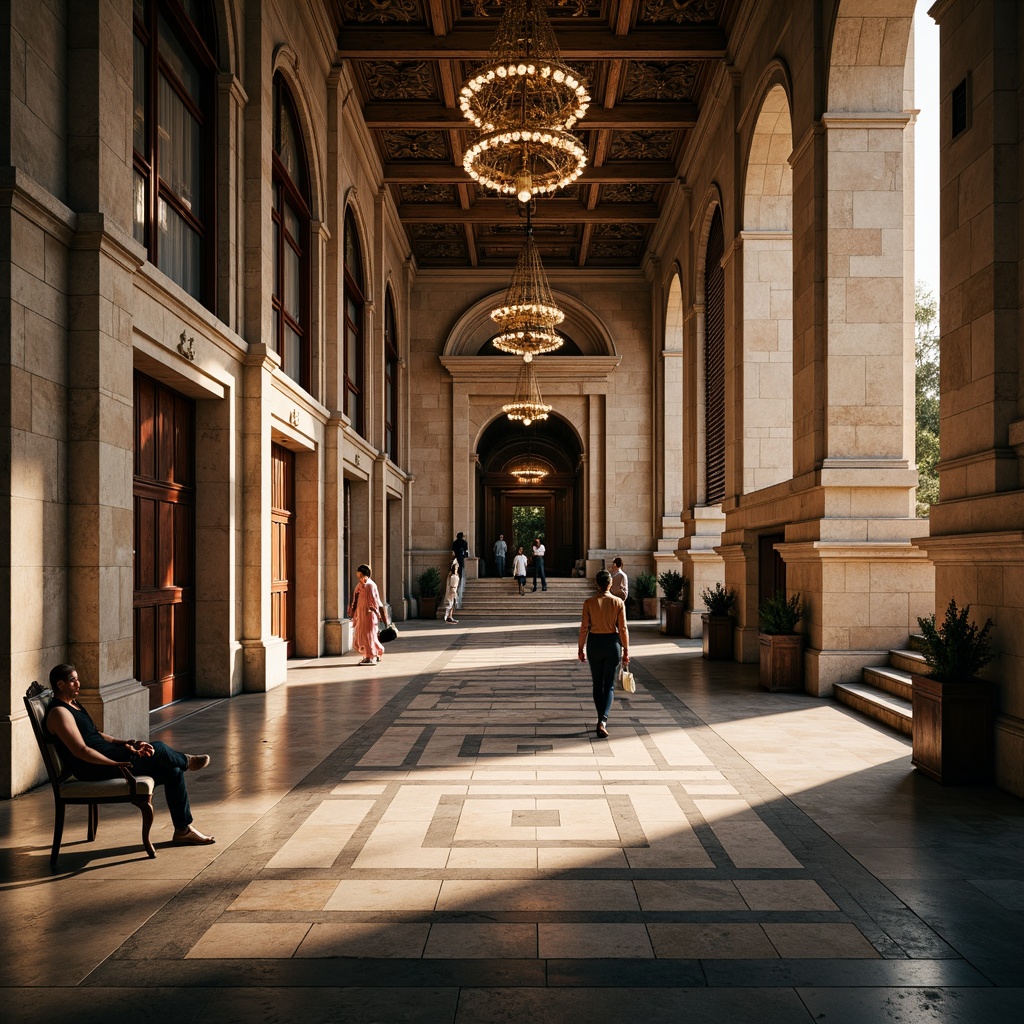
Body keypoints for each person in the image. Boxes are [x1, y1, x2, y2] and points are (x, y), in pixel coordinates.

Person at [44, 664, 215, 845]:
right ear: (60, 685)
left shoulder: (74, 705)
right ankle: (187, 761)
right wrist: (114, 764)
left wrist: (126, 743)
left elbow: (96, 735)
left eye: (77, 679)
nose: (78, 684)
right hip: (95, 768)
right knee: (159, 748)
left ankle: (183, 830)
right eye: (73, 681)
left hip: (111, 757)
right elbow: (81, 751)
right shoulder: (59, 713)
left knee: (173, 771)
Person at [577, 570, 630, 738]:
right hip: (612, 644)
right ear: (610, 584)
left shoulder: (589, 603)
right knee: (609, 685)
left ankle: (600, 719)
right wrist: (626, 650)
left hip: (594, 644)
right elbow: (622, 628)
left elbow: (584, 628)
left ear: (596, 584)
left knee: (597, 683)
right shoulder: (618, 602)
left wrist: (580, 648)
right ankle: (602, 720)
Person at [347, 563, 384, 665]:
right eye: (358, 576)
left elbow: (374, 602)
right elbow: (355, 599)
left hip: (368, 615)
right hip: (361, 614)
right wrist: (353, 610)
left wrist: (377, 613)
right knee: (363, 635)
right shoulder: (361, 585)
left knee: (368, 635)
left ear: (365, 574)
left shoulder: (370, 585)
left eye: (360, 576)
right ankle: (374, 653)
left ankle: (369, 656)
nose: (359, 578)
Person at [451, 532, 469, 608]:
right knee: (461, 569)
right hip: (461, 558)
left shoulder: (455, 543)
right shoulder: (464, 542)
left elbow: (453, 551)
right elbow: (466, 551)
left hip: (456, 558)